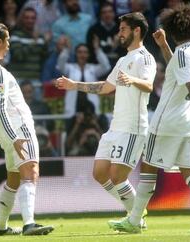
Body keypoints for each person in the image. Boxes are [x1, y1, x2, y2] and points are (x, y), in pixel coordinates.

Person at [108, 4, 190, 233]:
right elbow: (180, 71)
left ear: (174, 27)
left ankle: (134, 220)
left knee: (148, 168)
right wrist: (164, 46)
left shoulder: (183, 52)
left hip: (167, 119)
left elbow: (189, 85)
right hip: (187, 123)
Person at [56, 12, 156, 225]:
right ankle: (136, 211)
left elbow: (149, 85)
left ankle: (135, 219)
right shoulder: (122, 60)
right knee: (100, 174)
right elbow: (105, 87)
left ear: (136, 31)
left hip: (132, 126)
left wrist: (132, 79)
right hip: (115, 127)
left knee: (117, 176)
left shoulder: (145, 57)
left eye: (123, 29)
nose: (119, 33)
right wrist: (75, 85)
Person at [0, 23, 54, 236]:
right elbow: (0, 107)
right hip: (17, 126)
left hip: (4, 129)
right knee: (31, 171)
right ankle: (29, 224)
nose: (8, 46)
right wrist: (15, 136)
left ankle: (1, 227)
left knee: (13, 178)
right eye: (7, 41)